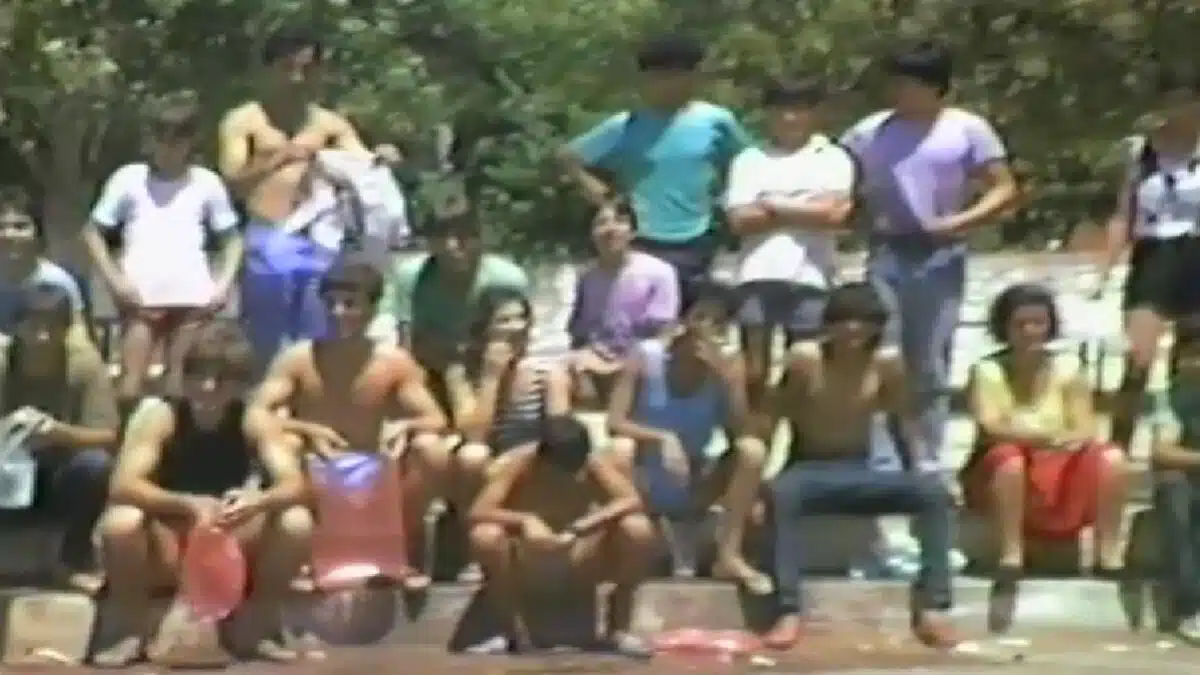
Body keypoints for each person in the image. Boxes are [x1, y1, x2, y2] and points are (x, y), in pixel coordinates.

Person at [840, 40, 1018, 473]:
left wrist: (961, 221)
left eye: (909, 83)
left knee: (930, 359)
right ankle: (882, 456)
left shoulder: (967, 128)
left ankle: (928, 456)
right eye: (895, 82)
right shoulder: (869, 131)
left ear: (935, 86)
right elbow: (839, 177)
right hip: (887, 249)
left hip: (940, 253)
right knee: (882, 352)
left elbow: (1003, 187)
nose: (899, 91)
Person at [97, 322, 314, 666]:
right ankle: (133, 631)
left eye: (221, 379)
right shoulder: (160, 415)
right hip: (172, 539)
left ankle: (257, 626)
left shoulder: (253, 419)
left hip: (231, 538)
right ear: (185, 377)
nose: (208, 387)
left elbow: (295, 484)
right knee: (121, 522)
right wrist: (186, 503)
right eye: (199, 375)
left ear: (239, 384)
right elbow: (123, 484)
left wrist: (257, 500)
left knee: (296, 521)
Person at [766, 282, 956, 649]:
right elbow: (772, 415)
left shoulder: (886, 363)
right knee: (782, 493)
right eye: (843, 319)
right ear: (829, 324)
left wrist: (919, 470)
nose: (852, 329)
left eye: (862, 320)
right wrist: (762, 472)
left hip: (860, 469)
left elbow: (903, 423)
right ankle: (787, 610)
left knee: (932, 493)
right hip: (808, 469)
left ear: (876, 326)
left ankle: (934, 606)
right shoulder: (805, 359)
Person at [248, 252, 450, 587]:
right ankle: (303, 555)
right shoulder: (298, 358)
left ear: (372, 309)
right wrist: (305, 428)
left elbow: (436, 419)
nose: (338, 313)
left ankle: (403, 551)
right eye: (331, 304)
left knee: (432, 449)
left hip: (374, 471)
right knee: (285, 442)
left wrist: (405, 426)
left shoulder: (393, 361)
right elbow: (257, 412)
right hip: (315, 470)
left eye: (350, 304)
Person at [218, 28, 395, 370]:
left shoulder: (331, 125)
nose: (297, 79)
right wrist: (278, 158)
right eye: (288, 68)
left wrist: (383, 157)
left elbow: (364, 164)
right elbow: (233, 182)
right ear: (269, 70)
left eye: (307, 69)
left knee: (321, 335)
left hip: (321, 241)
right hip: (269, 236)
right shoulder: (244, 121)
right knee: (266, 339)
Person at [961, 284, 1127, 630]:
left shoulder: (1068, 368)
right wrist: (1043, 439)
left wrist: (1061, 442)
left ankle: (1108, 554)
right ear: (1004, 327)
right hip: (1002, 469)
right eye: (1020, 324)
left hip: (1057, 463)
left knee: (1111, 458)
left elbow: (1084, 426)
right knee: (1009, 459)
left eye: (1038, 323)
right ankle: (1011, 554)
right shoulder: (986, 370)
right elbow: (992, 427)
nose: (1030, 332)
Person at [559, 33, 752, 307]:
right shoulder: (625, 124)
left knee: (691, 316)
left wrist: (730, 200)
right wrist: (602, 196)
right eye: (659, 76)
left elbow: (747, 161)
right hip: (640, 238)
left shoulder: (716, 121)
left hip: (697, 236)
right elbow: (569, 157)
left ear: (694, 76)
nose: (668, 84)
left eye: (677, 75)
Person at [606, 281, 770, 594]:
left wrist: (727, 381)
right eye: (701, 318)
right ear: (682, 320)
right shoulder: (646, 356)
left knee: (752, 451)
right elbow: (615, 422)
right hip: (646, 475)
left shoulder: (728, 364)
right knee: (619, 448)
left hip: (695, 478)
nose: (708, 329)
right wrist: (662, 438)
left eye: (718, 322)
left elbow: (740, 432)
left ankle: (729, 556)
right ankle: (638, 540)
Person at [82, 95, 242, 413]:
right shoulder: (129, 179)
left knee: (179, 389)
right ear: (151, 140)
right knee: (130, 388)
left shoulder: (207, 182)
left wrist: (223, 284)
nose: (169, 147)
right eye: (162, 138)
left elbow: (232, 239)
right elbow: (92, 232)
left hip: (193, 299)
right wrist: (115, 281)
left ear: (191, 141)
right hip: (140, 298)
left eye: (178, 138)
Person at [466, 414, 655, 656]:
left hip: (579, 555)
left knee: (637, 528)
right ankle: (511, 634)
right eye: (561, 469)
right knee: (485, 536)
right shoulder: (519, 464)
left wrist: (581, 526)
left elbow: (631, 500)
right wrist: (526, 520)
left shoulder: (592, 464)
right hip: (529, 559)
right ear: (541, 457)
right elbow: (478, 511)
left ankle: (618, 629)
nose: (569, 475)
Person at [724, 76, 857, 414]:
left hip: (812, 273)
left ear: (814, 113)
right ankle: (755, 431)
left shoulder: (833, 157)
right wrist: (805, 208)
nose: (789, 118)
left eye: (798, 109)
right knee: (754, 370)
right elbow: (740, 220)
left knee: (804, 365)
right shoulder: (750, 159)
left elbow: (835, 215)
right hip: (756, 272)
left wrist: (773, 204)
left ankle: (801, 434)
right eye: (781, 110)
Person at [1096, 65, 1200, 452]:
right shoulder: (1142, 151)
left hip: (1195, 249)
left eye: (1187, 100)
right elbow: (1123, 213)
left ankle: (1186, 445)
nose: (1180, 108)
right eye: (1172, 100)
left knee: (1190, 362)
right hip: (1154, 252)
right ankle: (1117, 448)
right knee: (1138, 357)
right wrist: (1106, 266)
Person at [445, 287, 572, 581]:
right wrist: (491, 377)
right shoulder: (461, 373)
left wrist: (517, 460)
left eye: (520, 318)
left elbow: (561, 436)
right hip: (487, 465)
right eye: (504, 320)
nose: (516, 327)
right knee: (472, 456)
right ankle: (473, 551)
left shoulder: (547, 373)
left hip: (531, 462)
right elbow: (474, 434)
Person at [0, 285, 119, 591]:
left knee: (95, 466)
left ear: (66, 330)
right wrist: (10, 430)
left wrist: (59, 433)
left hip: (58, 472)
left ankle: (73, 555)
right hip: (6, 471)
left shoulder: (84, 364)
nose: (42, 337)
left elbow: (108, 436)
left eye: (52, 327)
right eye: (33, 326)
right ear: (15, 326)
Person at [369, 212, 530, 413]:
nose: (451, 246)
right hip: (430, 370)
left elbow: (519, 340)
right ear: (429, 242)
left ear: (480, 239)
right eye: (441, 237)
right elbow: (405, 346)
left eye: (463, 236)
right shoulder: (411, 277)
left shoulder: (506, 280)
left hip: (491, 367)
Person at [567, 200, 679, 406]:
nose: (611, 229)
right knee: (560, 374)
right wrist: (581, 361)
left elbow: (665, 334)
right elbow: (578, 333)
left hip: (643, 359)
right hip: (597, 357)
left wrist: (623, 364)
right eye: (601, 223)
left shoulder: (660, 272)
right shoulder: (587, 276)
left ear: (633, 231)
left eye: (620, 221)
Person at [1146, 314, 1200, 642]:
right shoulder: (1170, 398)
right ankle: (1191, 606)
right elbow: (1162, 452)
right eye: (1191, 355)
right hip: (1189, 484)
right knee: (1173, 486)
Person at [0, 188, 90, 345]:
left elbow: (78, 339)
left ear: (38, 233)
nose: (8, 234)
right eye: (1, 227)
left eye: (20, 226)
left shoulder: (59, 281)